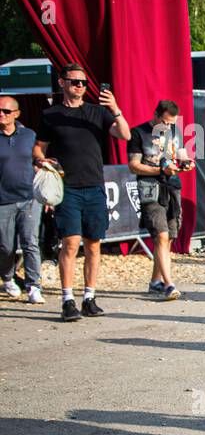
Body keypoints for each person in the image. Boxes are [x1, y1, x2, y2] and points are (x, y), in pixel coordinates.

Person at [32, 63, 130, 321]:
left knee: (93, 244)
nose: (80, 86)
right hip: (68, 189)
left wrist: (115, 109)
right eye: (74, 81)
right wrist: (43, 161)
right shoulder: (50, 115)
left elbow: (125, 134)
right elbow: (38, 149)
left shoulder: (98, 113)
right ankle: (67, 300)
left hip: (95, 187)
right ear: (62, 82)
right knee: (70, 243)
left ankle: (89, 297)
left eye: (83, 83)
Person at [126, 100, 191, 300]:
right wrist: (160, 170)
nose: (168, 127)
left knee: (169, 236)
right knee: (160, 235)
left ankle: (155, 281)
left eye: (171, 123)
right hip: (150, 188)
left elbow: (181, 154)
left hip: (171, 186)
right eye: (164, 122)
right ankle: (169, 284)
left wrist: (186, 163)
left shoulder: (175, 131)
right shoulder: (138, 133)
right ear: (155, 115)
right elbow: (134, 165)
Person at [0, 95, 43, 304]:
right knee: (5, 246)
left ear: (16, 114)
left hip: (29, 198)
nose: (1, 114)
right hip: (3, 200)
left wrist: (42, 163)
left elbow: (37, 157)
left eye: (6, 111)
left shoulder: (29, 134)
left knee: (30, 243)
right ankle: (7, 278)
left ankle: (34, 285)